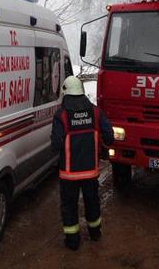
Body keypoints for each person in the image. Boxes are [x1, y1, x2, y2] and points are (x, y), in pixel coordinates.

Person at [50, 76, 113, 251]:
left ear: (66, 93)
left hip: (69, 174)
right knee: (92, 201)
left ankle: (72, 242)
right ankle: (95, 234)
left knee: (69, 206)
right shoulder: (95, 112)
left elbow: (56, 144)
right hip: (90, 172)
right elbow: (109, 135)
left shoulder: (61, 116)